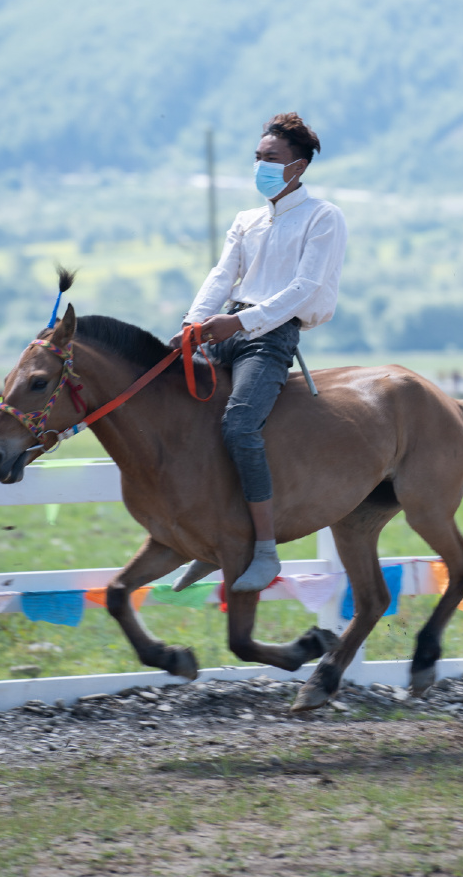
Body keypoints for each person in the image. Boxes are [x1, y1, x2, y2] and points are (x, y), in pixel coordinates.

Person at [170, 113, 347, 592]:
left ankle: (264, 547)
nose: (261, 166)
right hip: (223, 326)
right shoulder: (245, 220)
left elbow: (304, 288)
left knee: (239, 425)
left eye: (271, 159)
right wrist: (193, 323)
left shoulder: (323, 217)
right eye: (257, 158)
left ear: (298, 166)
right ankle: (211, 534)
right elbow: (221, 276)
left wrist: (239, 322)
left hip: (270, 336)